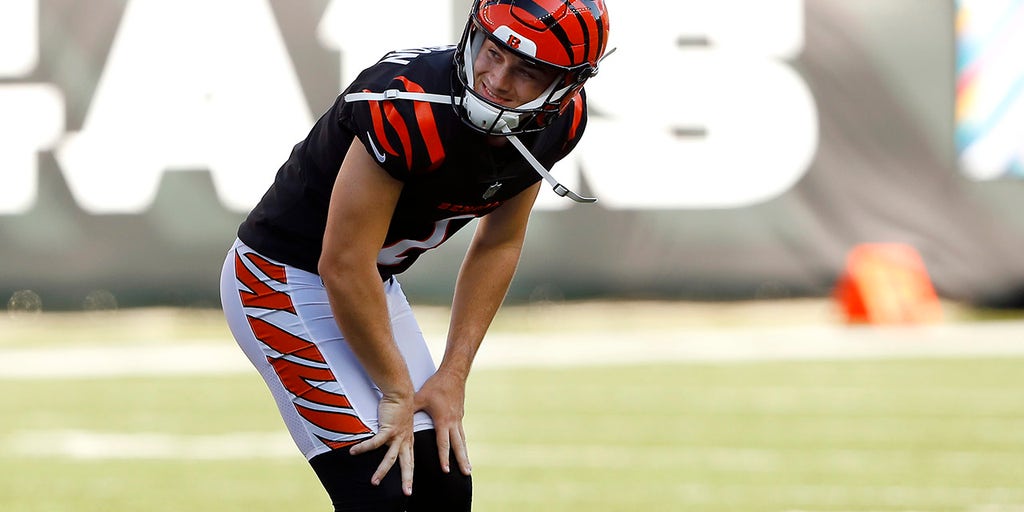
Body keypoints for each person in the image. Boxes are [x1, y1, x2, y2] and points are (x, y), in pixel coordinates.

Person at [219, 1, 611, 510]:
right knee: (379, 487)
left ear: (567, 85)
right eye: (493, 52)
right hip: (279, 279)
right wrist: (397, 389)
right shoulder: (406, 103)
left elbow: (500, 241)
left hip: (369, 282)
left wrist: (453, 374)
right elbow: (340, 264)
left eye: (528, 71)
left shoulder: (560, 121)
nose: (496, 79)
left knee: (442, 483)